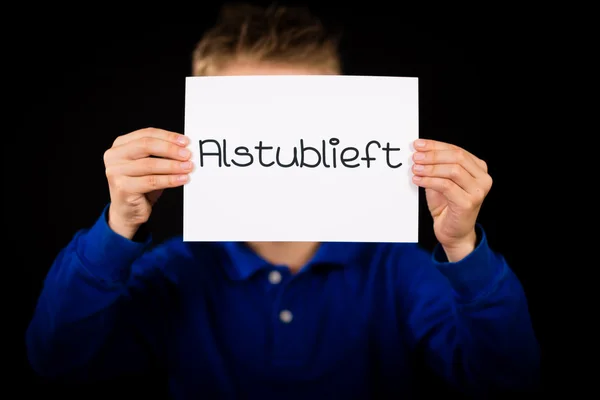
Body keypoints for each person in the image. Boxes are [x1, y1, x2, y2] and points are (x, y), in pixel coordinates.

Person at [26, 3, 540, 399]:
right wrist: (117, 229)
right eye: (248, 119)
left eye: (303, 117)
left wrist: (463, 248)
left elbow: (505, 380)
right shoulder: (173, 271)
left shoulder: (396, 269)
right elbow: (57, 361)